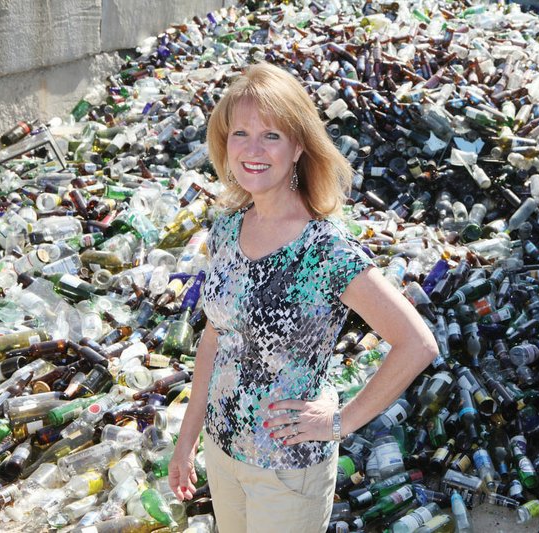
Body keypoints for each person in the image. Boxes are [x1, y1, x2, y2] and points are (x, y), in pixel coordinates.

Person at [167, 62, 438, 533]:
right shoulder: (228, 229)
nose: (252, 150)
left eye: (271, 135)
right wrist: (187, 440)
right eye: (240, 134)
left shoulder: (326, 250)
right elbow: (214, 340)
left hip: (287, 469)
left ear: (297, 147)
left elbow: (418, 344)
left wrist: (340, 421)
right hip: (223, 451)